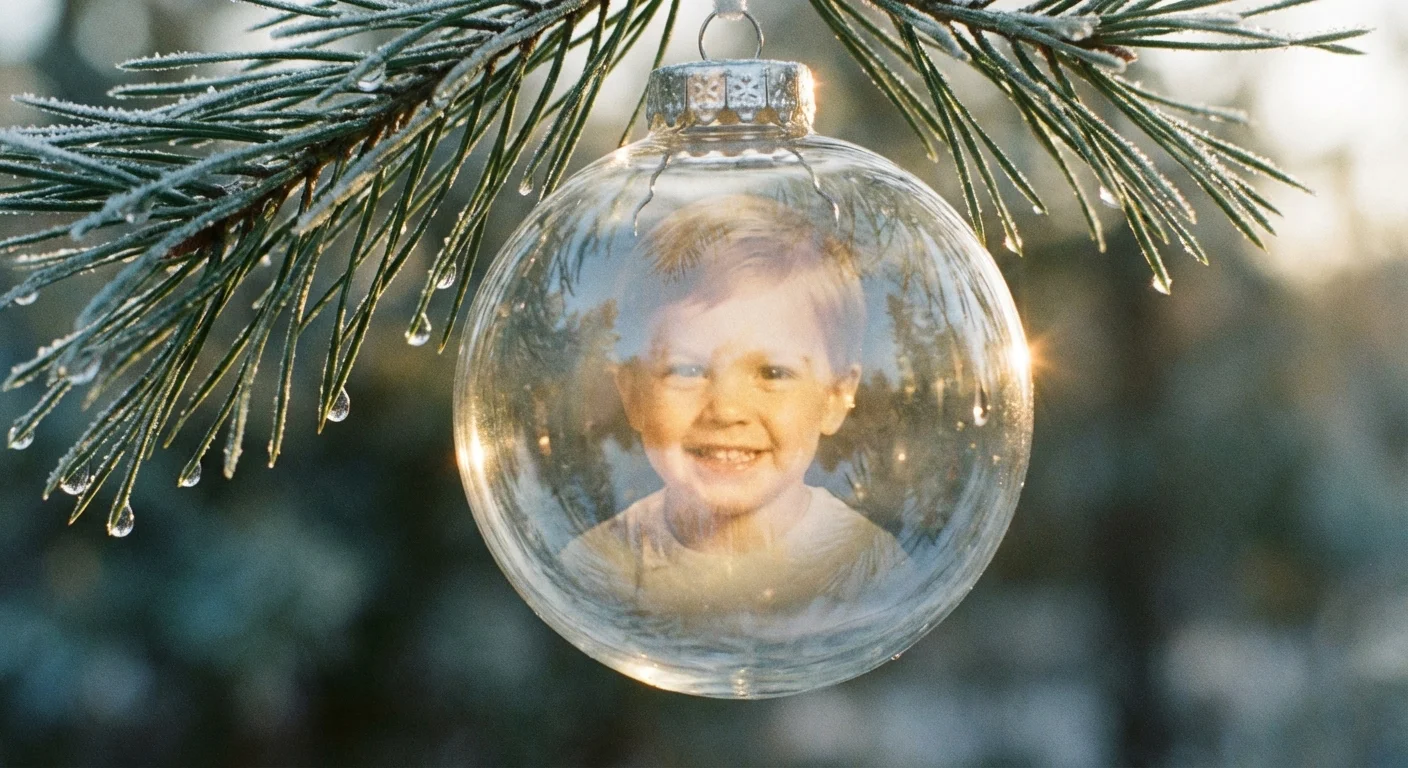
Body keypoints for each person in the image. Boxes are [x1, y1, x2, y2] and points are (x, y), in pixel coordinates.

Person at [561, 195, 907, 616]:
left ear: (835, 397)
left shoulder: (867, 566)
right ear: (633, 395)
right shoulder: (597, 567)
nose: (726, 411)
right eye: (687, 371)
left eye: (772, 374)